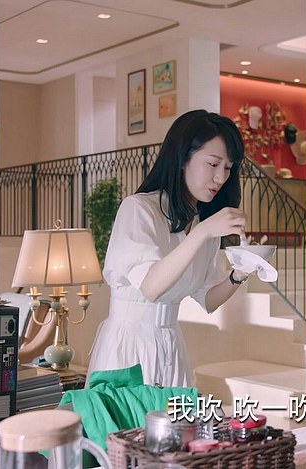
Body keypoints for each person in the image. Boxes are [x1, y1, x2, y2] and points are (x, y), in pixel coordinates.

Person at [88, 109, 252, 388]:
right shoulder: (139, 209)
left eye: (228, 167)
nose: (221, 177)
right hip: (129, 345)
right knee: (131, 417)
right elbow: (151, 288)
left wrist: (239, 274)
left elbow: (208, 299)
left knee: (173, 417)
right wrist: (202, 232)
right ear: (182, 158)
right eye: (213, 164)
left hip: (171, 344)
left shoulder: (201, 224)